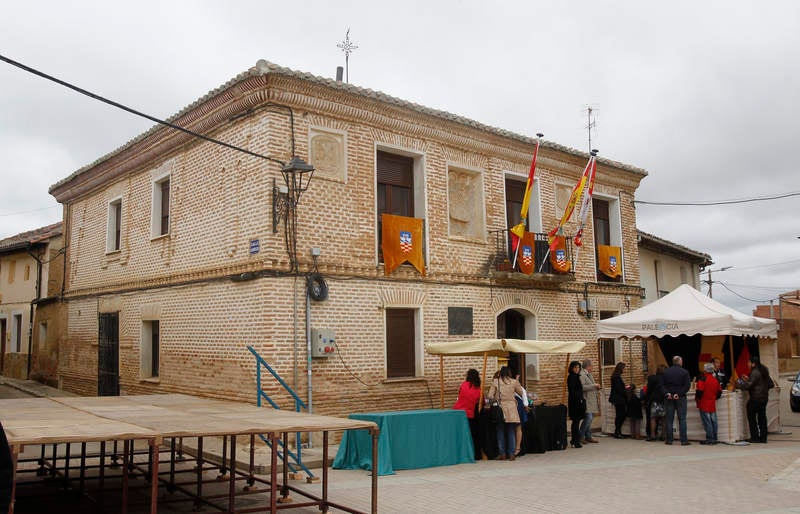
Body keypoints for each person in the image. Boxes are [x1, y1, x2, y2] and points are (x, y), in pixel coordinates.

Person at [487, 366, 525, 460]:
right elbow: (521, 392)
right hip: (511, 408)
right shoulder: (514, 382)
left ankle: (502, 453)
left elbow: (490, 395)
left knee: (500, 431)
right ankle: (512, 454)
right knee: (511, 431)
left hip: (500, 409)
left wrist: (496, 398)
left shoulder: (496, 382)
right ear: (509, 373)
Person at [738, 354, 772, 443]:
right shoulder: (764, 370)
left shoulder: (755, 372)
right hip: (764, 398)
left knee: (752, 419)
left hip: (755, 399)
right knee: (762, 418)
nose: (747, 364)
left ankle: (755, 437)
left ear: (753, 363)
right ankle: (763, 438)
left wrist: (738, 385)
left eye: (749, 362)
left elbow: (748, 386)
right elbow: (770, 384)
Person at [453, 368, 482, 459]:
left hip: (458, 413)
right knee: (474, 435)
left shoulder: (463, 385)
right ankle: (476, 454)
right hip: (470, 414)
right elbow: (481, 402)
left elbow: (459, 396)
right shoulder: (478, 390)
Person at [663, 355, 691, 445]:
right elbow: (687, 386)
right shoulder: (684, 372)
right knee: (682, 419)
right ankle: (683, 440)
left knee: (669, 419)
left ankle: (669, 440)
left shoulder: (666, 372)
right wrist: (678, 394)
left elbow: (662, 385)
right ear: (679, 362)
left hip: (669, 397)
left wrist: (667, 393)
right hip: (680, 397)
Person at [696, 362, 722, 445]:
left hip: (704, 403)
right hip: (712, 403)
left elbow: (699, 391)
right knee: (714, 421)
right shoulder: (716, 379)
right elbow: (719, 392)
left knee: (707, 422)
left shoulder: (703, 379)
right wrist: (714, 398)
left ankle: (710, 439)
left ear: (705, 370)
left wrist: (698, 399)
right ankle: (714, 438)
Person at [579, 359, 601, 444]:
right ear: (588, 366)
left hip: (591, 400)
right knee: (588, 418)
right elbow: (582, 387)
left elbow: (591, 385)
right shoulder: (582, 375)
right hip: (586, 400)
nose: (592, 367)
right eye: (592, 366)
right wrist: (594, 386)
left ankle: (588, 436)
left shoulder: (589, 374)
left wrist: (596, 387)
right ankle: (580, 436)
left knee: (590, 419)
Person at [644, 365, 667, 441]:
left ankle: (653, 435)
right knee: (663, 418)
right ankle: (663, 435)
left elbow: (648, 390)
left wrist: (646, 400)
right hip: (663, 399)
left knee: (653, 418)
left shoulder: (651, 378)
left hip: (654, 400)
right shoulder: (665, 378)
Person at [567, 361, 586, 448]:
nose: (576, 369)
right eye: (575, 367)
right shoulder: (572, 377)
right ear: (571, 368)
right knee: (575, 422)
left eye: (578, 368)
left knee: (576, 422)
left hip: (577, 401)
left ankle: (574, 440)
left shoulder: (576, 377)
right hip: (575, 402)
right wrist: (579, 399)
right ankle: (575, 441)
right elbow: (573, 391)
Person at [608, 362, 628, 439]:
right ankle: (617, 431)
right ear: (620, 369)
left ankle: (617, 431)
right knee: (621, 415)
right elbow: (619, 389)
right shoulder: (616, 377)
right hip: (618, 399)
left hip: (618, 398)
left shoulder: (616, 376)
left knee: (620, 415)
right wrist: (626, 390)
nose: (624, 369)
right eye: (623, 368)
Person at [513, 375, 529, 456]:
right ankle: (516, 447)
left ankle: (517, 447)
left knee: (517, 427)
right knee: (515, 428)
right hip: (514, 406)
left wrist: (525, 405)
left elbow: (523, 394)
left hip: (517, 407)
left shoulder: (515, 384)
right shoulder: (514, 383)